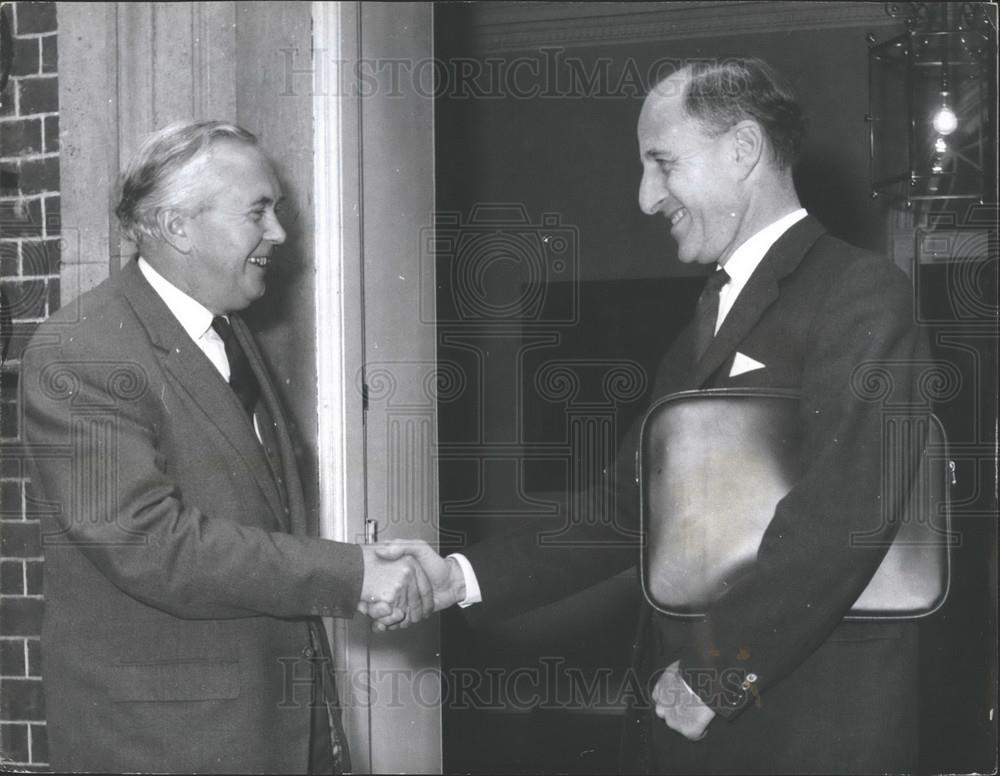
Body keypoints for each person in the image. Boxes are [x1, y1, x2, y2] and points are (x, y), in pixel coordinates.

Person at [375, 58, 931, 773]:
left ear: (742, 151)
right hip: (701, 723)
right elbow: (625, 509)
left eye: (662, 164)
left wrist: (715, 671)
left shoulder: (860, 292)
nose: (644, 198)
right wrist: (460, 576)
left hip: (807, 729)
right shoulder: (706, 318)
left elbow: (845, 508)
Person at [20, 120, 434, 774]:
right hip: (166, 746)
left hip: (273, 731)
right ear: (178, 226)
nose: (279, 234)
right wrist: (353, 574)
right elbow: (153, 544)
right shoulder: (83, 350)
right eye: (257, 212)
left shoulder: (233, 337)